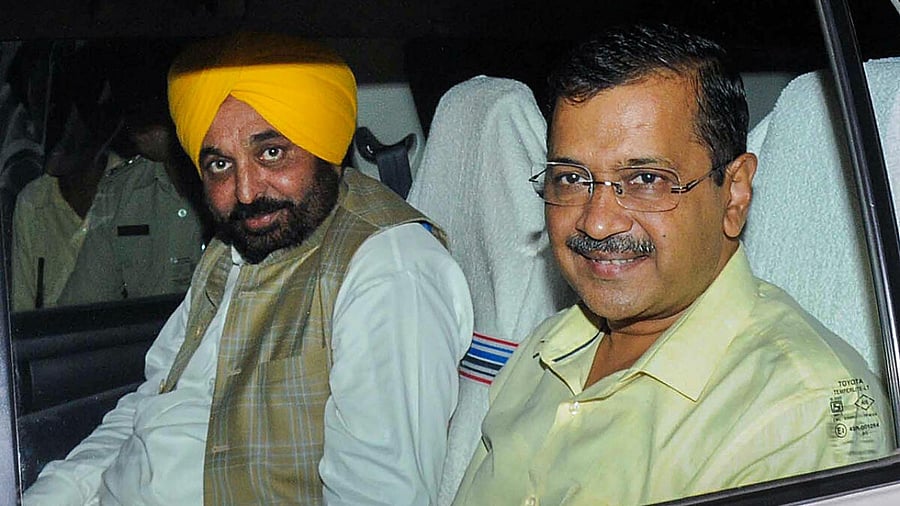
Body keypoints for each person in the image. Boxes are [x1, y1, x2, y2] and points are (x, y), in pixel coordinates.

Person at [24, 32, 473, 505]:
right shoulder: (237, 246)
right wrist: (55, 492)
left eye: (271, 153)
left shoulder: (388, 271)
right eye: (220, 164)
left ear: (326, 144)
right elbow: (151, 402)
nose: (245, 191)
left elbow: (377, 495)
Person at [452, 24, 893, 506]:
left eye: (646, 179)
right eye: (572, 178)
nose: (597, 222)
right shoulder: (544, 350)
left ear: (734, 193)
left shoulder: (799, 415)